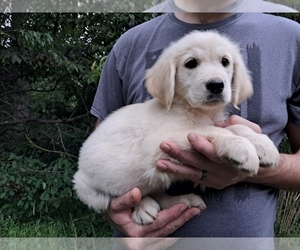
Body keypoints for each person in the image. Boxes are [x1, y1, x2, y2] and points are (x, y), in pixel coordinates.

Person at [90, 0, 300, 247]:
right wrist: (113, 209)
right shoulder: (130, 44)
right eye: (192, 64)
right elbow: (102, 150)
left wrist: (255, 169)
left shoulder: (291, 39)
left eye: (224, 63)